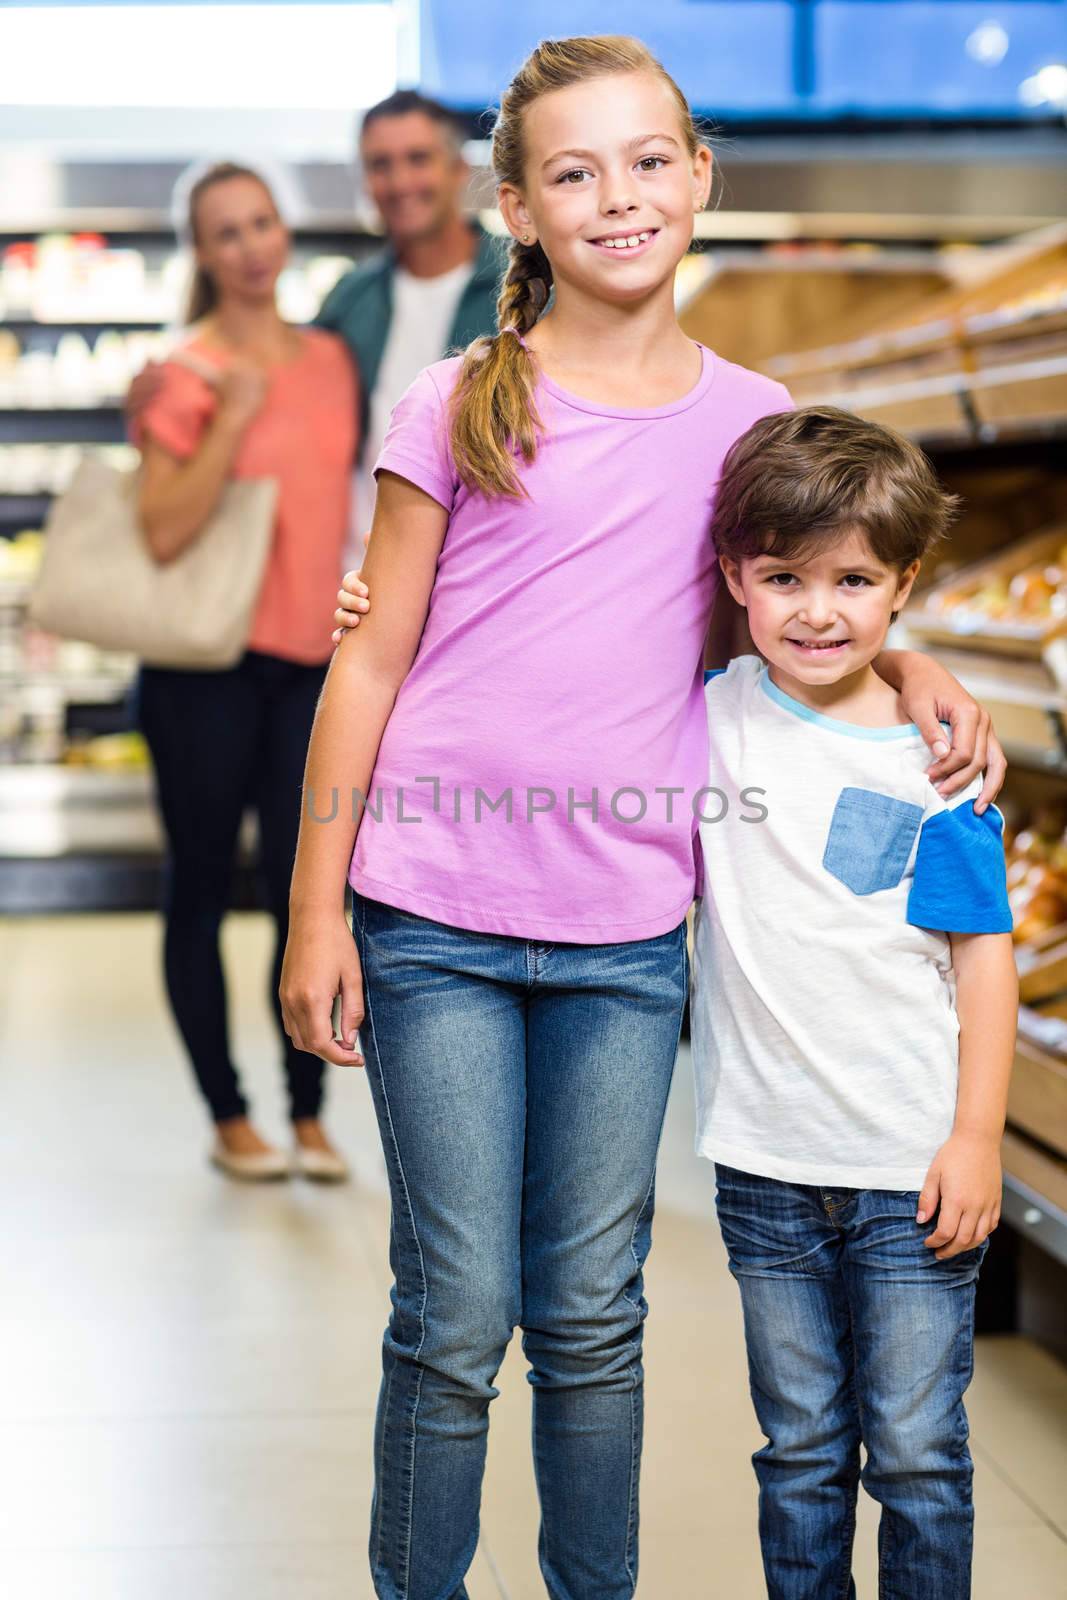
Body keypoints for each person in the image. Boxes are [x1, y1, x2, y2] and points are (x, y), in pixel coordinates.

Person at [287, 37, 1004, 1599]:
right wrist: (314, 908)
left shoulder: (749, 423)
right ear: (517, 210)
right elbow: (371, 660)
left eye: (645, 160)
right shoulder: (459, 402)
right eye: (571, 171)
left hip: (624, 933)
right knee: (456, 1312)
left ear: (697, 177)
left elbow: (809, 591)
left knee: (595, 1314)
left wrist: (928, 661)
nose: (617, 196)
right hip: (432, 916)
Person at [692, 406, 1016, 1599]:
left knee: (922, 1456)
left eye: (851, 580)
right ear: (734, 577)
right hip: (762, 1164)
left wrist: (975, 1135)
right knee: (800, 1452)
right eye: (782, 578)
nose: (816, 610)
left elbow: (982, 956)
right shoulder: (713, 716)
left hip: (910, 1161)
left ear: (902, 584)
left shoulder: (934, 761)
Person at [134, 162, 357, 1183]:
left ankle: (306, 1111)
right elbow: (164, 529)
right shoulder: (181, 372)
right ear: (203, 253)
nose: (249, 246)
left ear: (283, 232)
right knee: (199, 888)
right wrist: (226, 416)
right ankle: (229, 1115)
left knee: (300, 888)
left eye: (260, 223)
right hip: (204, 671)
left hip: (311, 669)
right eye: (224, 233)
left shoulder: (330, 361)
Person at [315, 88, 504, 542]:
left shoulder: (526, 286)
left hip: (473, 568)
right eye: (380, 165)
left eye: (418, 158)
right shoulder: (349, 299)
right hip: (359, 570)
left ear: (458, 169)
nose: (400, 182)